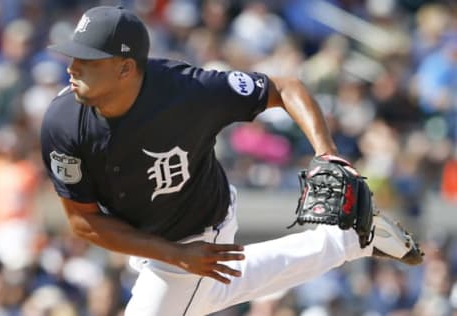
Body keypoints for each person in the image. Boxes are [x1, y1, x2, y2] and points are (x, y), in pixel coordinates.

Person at [40, 6, 423, 316]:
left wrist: (327, 152)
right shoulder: (63, 123)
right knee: (213, 290)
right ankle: (354, 239)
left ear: (126, 68)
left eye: (88, 59)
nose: (73, 67)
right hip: (152, 238)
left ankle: (350, 241)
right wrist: (175, 257)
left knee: (181, 295)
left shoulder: (189, 91)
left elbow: (285, 87)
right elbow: (83, 222)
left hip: (200, 225)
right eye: (74, 55)